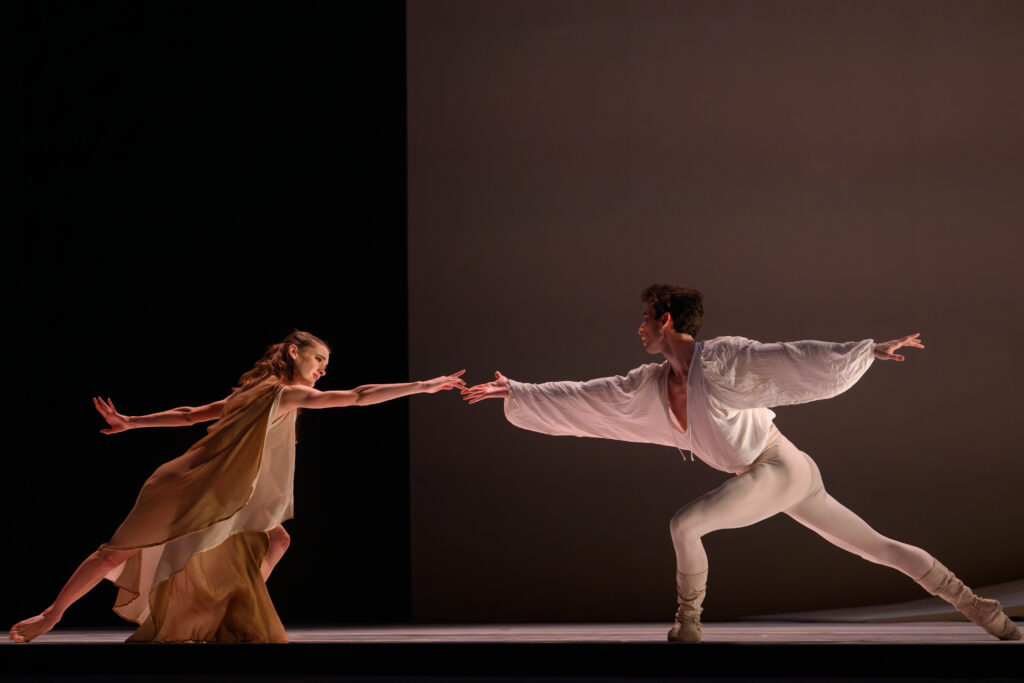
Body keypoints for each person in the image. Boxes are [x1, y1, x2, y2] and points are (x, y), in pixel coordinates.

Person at [461, 285, 1020, 642]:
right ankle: (987, 613)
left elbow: (786, 358)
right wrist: (520, 392)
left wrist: (864, 351)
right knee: (879, 548)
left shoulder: (721, 358)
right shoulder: (651, 384)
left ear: (665, 318)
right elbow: (590, 395)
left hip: (778, 467)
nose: (638, 329)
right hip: (780, 475)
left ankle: (688, 624)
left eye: (644, 320)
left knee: (686, 524)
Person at [10, 330, 465, 643]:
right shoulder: (278, 393)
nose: (324, 369)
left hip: (216, 492)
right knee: (117, 552)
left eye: (327, 362)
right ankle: (50, 615)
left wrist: (132, 422)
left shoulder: (254, 394)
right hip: (185, 486)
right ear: (292, 353)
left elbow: (190, 413)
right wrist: (421, 386)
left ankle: (231, 606)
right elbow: (359, 395)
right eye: (319, 359)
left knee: (277, 538)